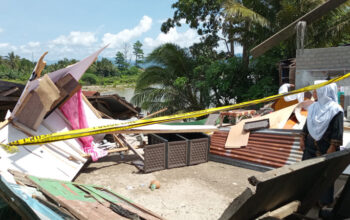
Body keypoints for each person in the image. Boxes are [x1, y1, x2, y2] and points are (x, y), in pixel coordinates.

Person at [300, 81, 344, 207]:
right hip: (309, 148)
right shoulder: (313, 107)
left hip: (326, 148)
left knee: (325, 176)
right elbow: (307, 125)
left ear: (324, 91)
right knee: (307, 173)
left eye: (316, 90)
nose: (314, 92)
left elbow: (338, 131)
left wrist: (332, 147)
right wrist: (302, 139)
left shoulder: (336, 110)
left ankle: (324, 202)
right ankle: (308, 199)